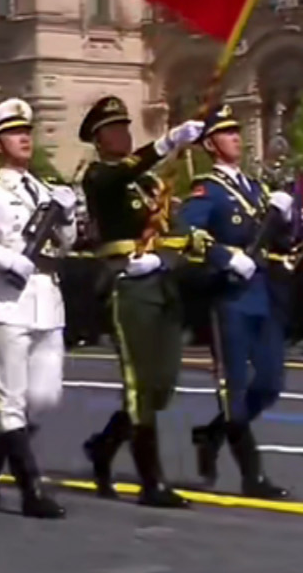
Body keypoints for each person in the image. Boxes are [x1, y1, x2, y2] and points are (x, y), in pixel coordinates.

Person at [0, 98, 78, 519]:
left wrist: (68, 215)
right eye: (13, 133)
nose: (24, 138)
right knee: (10, 398)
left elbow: (68, 244)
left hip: (47, 296)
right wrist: (6, 259)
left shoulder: (45, 190)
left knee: (45, 396)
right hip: (9, 298)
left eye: (26, 131)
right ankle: (30, 490)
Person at [78, 96, 204, 508]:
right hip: (126, 284)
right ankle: (152, 482)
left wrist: (176, 251)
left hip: (161, 282)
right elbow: (119, 176)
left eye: (126, 127)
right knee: (138, 385)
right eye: (113, 130)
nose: (123, 135)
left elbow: (169, 225)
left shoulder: (148, 183)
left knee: (161, 384)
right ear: (98, 140)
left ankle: (103, 446)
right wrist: (167, 143)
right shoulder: (98, 175)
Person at [178, 106, 293, 499]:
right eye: (227, 134)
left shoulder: (257, 189)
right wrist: (225, 257)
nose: (236, 139)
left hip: (262, 292)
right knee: (234, 388)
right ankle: (252, 475)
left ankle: (210, 435)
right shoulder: (207, 189)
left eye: (237, 132)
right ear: (210, 144)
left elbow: (282, 240)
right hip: (228, 295)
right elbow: (186, 231)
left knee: (271, 382)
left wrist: (285, 217)